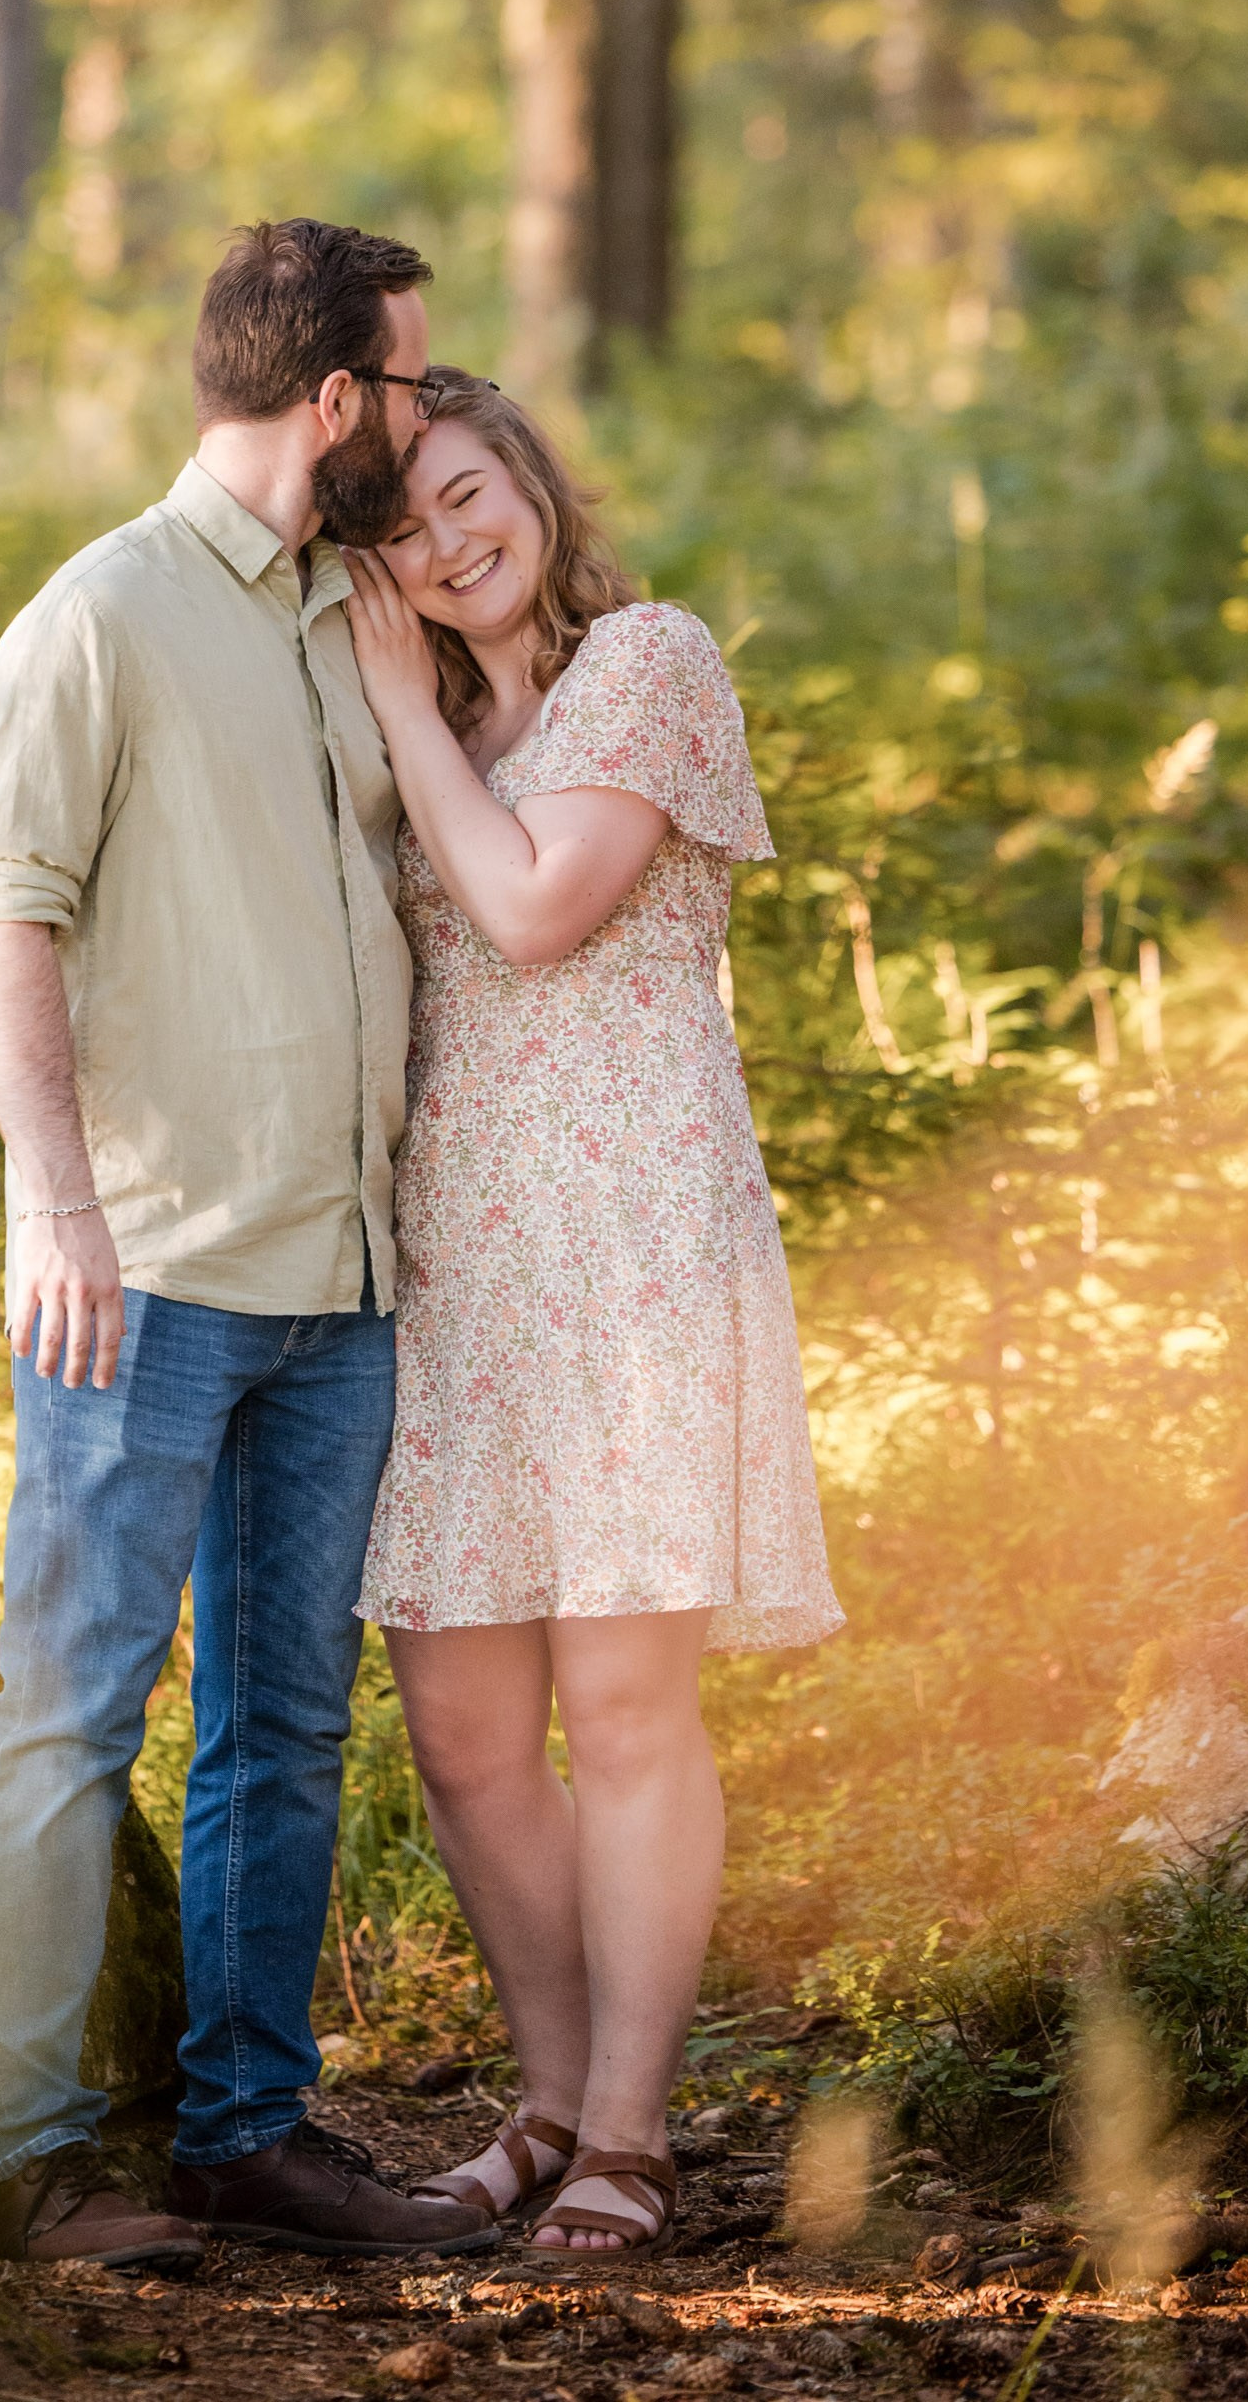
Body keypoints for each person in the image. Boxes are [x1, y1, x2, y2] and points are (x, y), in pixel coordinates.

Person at [0, 221, 501, 2270]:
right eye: (415, 385)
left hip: (340, 1287)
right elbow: (4, 905)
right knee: (73, 1711)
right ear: (336, 399)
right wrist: (58, 1204)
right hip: (148, 1275)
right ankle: (33, 2158)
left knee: (285, 1725)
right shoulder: (100, 617)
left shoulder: (356, 616)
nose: (431, 418)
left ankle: (245, 2134)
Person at [342, 371, 842, 2259]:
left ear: (531, 483)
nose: (450, 544)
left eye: (468, 494)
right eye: (404, 531)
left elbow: (540, 910)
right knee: (466, 1735)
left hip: (635, 1242)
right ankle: (545, 2107)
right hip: (461, 1261)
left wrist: (403, 709)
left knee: (627, 1708)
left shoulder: (648, 659)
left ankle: (632, 2135)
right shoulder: (436, 718)